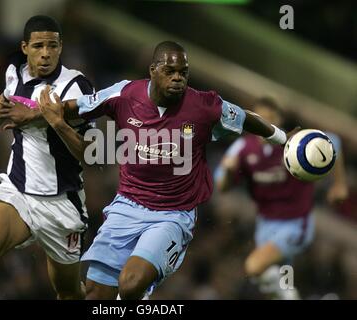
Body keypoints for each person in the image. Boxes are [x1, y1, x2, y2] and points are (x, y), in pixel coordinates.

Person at [37, 40, 294, 300]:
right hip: (125, 207)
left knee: (130, 283)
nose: (177, 79)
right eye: (170, 72)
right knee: (95, 295)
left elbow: (245, 117)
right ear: (152, 70)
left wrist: (283, 139)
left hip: (172, 215)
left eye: (183, 73)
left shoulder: (204, 106)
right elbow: (75, 106)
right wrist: (34, 113)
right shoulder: (125, 94)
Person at [0, 15, 94, 300]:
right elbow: (4, 101)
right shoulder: (16, 75)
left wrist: (54, 121)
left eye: (52, 46)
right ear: (24, 48)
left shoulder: (77, 87)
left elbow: (91, 154)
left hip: (62, 203)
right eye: (38, 46)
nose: (45, 53)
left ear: (60, 48)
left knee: (68, 291)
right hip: (18, 192)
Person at [214, 97, 349, 299]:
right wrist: (227, 170)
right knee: (278, 286)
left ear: (279, 121)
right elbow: (221, 187)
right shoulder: (243, 148)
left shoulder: (295, 141)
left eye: (271, 119)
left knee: (253, 266)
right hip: (265, 225)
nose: (266, 125)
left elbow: (333, 142)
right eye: (261, 119)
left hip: (295, 224)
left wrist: (340, 184)